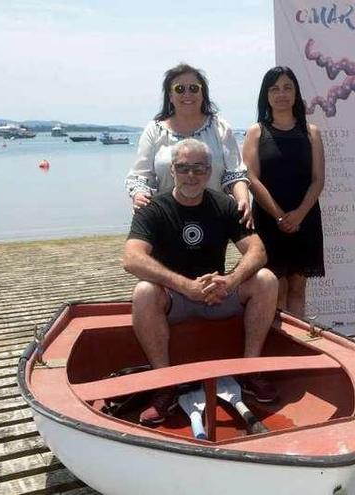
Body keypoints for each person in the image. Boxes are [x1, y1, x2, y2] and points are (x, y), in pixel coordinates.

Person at [123, 138, 279, 425]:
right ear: (173, 170)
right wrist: (185, 286)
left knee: (266, 280)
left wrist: (231, 281)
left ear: (209, 171)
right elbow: (131, 259)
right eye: (183, 168)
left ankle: (250, 371)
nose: (191, 175)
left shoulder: (225, 205)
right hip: (175, 299)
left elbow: (258, 251)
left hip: (218, 294)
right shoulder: (154, 209)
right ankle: (165, 386)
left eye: (198, 168)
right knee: (144, 292)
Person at [241, 66, 325, 317]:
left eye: (288, 87)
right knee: (276, 288)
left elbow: (318, 180)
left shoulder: (312, 133)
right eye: (274, 88)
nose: (282, 94)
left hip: (305, 218)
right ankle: (276, 345)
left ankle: (296, 344)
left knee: (298, 289)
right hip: (268, 219)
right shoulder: (256, 132)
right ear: (266, 95)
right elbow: (251, 178)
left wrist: (298, 215)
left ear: (296, 93)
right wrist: (278, 215)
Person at [125, 63, 253, 227]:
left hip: (213, 218)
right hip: (167, 219)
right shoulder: (154, 130)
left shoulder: (220, 127)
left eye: (194, 88)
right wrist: (139, 194)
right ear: (170, 95)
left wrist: (243, 200)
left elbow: (235, 174)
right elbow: (141, 176)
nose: (187, 94)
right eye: (180, 89)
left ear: (202, 93)